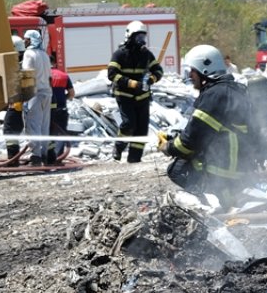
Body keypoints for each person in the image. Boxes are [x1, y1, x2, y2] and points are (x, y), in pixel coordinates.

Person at [161, 44, 254, 209]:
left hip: (225, 165)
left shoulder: (214, 95)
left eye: (193, 71)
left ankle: (219, 207)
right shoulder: (230, 90)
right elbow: (199, 130)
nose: (190, 75)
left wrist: (168, 147)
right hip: (240, 161)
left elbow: (191, 141)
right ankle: (225, 203)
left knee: (177, 170)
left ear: (205, 71)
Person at [107, 20, 163, 163]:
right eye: (138, 37)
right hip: (125, 96)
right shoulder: (119, 54)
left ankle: (134, 159)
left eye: (143, 37)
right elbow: (112, 74)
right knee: (129, 124)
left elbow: (158, 70)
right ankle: (119, 147)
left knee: (141, 130)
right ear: (130, 36)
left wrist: (151, 79)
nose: (141, 40)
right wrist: (131, 83)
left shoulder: (146, 55)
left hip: (142, 97)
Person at [21, 29, 52, 166]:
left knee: (33, 124)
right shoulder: (44, 55)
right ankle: (44, 155)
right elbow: (49, 76)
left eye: (26, 38)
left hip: (35, 93)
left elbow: (27, 74)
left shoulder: (29, 54)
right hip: (47, 92)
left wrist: (23, 94)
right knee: (44, 125)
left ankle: (35, 156)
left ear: (31, 40)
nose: (24, 41)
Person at [2, 35, 27, 162]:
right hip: (25, 106)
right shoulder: (27, 62)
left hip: (18, 106)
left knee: (9, 130)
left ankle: (13, 159)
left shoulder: (18, 66)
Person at [47, 52, 75, 164]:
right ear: (54, 63)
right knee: (61, 133)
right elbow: (72, 93)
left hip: (47, 110)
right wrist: (64, 98)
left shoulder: (43, 75)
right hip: (62, 109)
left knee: (49, 132)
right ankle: (59, 157)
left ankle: (49, 157)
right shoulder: (64, 75)